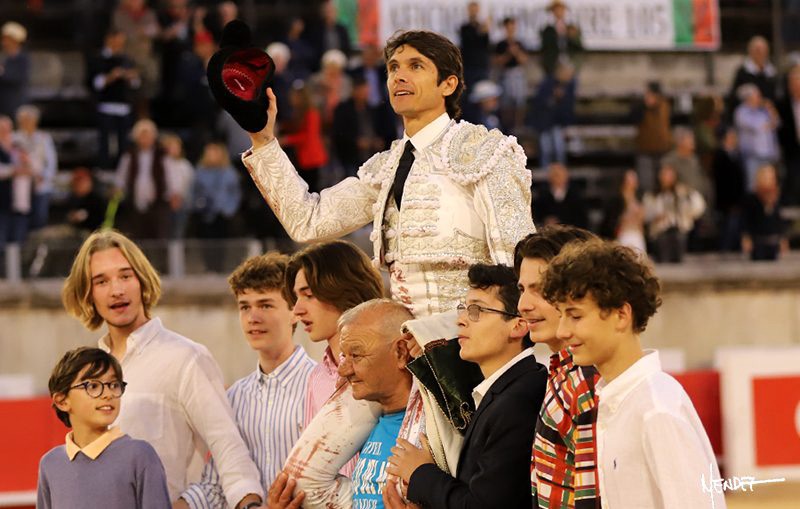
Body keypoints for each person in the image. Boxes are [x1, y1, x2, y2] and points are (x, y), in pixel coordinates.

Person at [242, 29, 534, 317]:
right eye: (393, 68)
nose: (399, 76)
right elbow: (308, 221)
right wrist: (263, 141)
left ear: (448, 84)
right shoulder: (385, 167)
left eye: (415, 66)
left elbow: (517, 259)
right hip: (406, 350)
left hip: (474, 342)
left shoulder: (485, 151)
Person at [61, 230, 264, 507]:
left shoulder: (185, 358)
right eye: (101, 281)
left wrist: (249, 503)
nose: (117, 289)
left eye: (125, 276)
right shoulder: (88, 375)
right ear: (88, 294)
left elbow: (227, 447)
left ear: (142, 281)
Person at [541, 240, 725, 508]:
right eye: (561, 316)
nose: (562, 331)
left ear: (621, 315)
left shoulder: (656, 409)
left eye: (575, 316)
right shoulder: (619, 401)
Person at [385, 264, 548, 509]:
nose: (460, 321)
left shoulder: (519, 399)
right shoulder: (505, 389)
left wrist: (420, 472)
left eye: (476, 310)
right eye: (463, 309)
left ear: (518, 325)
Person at [178, 253, 316, 508]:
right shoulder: (233, 397)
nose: (253, 317)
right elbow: (215, 485)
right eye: (245, 307)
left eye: (265, 305)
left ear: (295, 312)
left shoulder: (321, 387)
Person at [514, 225, 601, 509]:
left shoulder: (587, 378)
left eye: (539, 291)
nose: (523, 305)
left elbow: (592, 498)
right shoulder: (563, 370)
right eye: (522, 289)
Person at [37, 347, 171, 509]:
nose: (108, 394)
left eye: (113, 385)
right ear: (62, 401)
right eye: (93, 386)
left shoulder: (140, 455)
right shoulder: (50, 464)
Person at [284, 240, 384, 426]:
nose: (297, 309)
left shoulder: (390, 365)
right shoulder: (317, 378)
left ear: (341, 289)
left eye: (309, 295)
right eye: (297, 297)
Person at [88, 29, 140, 169]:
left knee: (124, 142)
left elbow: (136, 84)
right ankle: (104, 167)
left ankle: (122, 169)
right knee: (104, 142)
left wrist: (131, 77)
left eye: (121, 43)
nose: (119, 45)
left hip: (123, 106)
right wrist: (111, 76)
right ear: (109, 40)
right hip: (105, 105)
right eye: (116, 42)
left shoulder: (127, 59)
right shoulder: (98, 58)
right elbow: (95, 84)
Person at [643, 162, 706, 263]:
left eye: (669, 175)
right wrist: (656, 217)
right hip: (660, 232)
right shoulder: (652, 196)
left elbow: (698, 207)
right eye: (664, 174)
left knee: (678, 240)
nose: (667, 178)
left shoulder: (683, 192)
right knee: (663, 247)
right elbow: (645, 215)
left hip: (679, 230)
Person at [13, 104, 57, 230]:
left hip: (40, 183)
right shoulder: (14, 138)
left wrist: (44, 176)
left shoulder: (44, 138)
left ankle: (38, 246)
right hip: (21, 183)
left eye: (29, 120)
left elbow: (51, 162)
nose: (26, 123)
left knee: (39, 217)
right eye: (23, 121)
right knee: (20, 217)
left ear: (35, 121)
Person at [741, 164, 788, 261]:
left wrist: (782, 238)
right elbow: (746, 220)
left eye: (771, 177)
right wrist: (746, 237)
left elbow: (779, 220)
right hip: (758, 243)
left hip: (773, 243)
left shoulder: (776, 198)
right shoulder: (752, 199)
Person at [633, 81, 672, 193]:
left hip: (663, 150)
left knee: (664, 184)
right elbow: (632, 118)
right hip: (645, 151)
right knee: (646, 185)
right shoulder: (640, 107)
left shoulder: (665, 106)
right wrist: (644, 107)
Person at [534, 162, 589, 229]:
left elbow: (582, 219)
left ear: (566, 176)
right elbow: (536, 215)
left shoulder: (576, 195)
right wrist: (545, 221)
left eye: (560, 175)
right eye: (555, 175)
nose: (557, 178)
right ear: (549, 177)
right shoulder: (542, 195)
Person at [540, 0, 582, 77]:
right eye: (556, 9)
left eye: (561, 9)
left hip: (570, 64)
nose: (559, 12)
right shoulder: (548, 30)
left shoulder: (572, 28)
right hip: (553, 66)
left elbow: (579, 47)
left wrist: (572, 37)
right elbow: (545, 48)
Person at [0, 22, 30, 118]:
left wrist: (2, 72)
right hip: (3, 105)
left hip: (15, 106)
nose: (3, 42)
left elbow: (18, 78)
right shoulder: (6, 58)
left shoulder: (22, 59)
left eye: (6, 39)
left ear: (14, 41)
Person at [459, 1, 492, 87]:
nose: (473, 11)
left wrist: (485, 31)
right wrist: (481, 31)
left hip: (481, 65)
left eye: (475, 9)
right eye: (471, 9)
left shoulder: (482, 27)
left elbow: (486, 45)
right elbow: (468, 41)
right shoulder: (464, 27)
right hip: (468, 66)